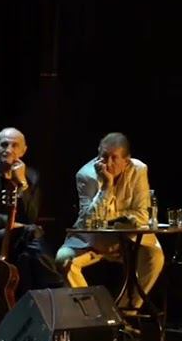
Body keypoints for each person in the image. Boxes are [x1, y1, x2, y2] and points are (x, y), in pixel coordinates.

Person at [55, 132, 163, 313]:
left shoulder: (138, 170)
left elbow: (142, 214)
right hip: (93, 241)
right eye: (104, 156)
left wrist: (111, 217)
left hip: (128, 240)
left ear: (126, 161)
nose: (108, 163)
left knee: (155, 257)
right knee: (64, 259)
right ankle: (91, 316)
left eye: (114, 158)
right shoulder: (85, 175)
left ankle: (125, 313)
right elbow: (89, 222)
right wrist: (106, 186)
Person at [0, 127, 64, 292]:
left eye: (14, 145)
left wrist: (22, 184)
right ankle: (57, 287)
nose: (8, 150)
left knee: (30, 251)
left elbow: (31, 216)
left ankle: (40, 296)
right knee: (33, 233)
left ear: (23, 151)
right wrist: (12, 223)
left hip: (23, 237)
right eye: (4, 145)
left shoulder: (31, 176)